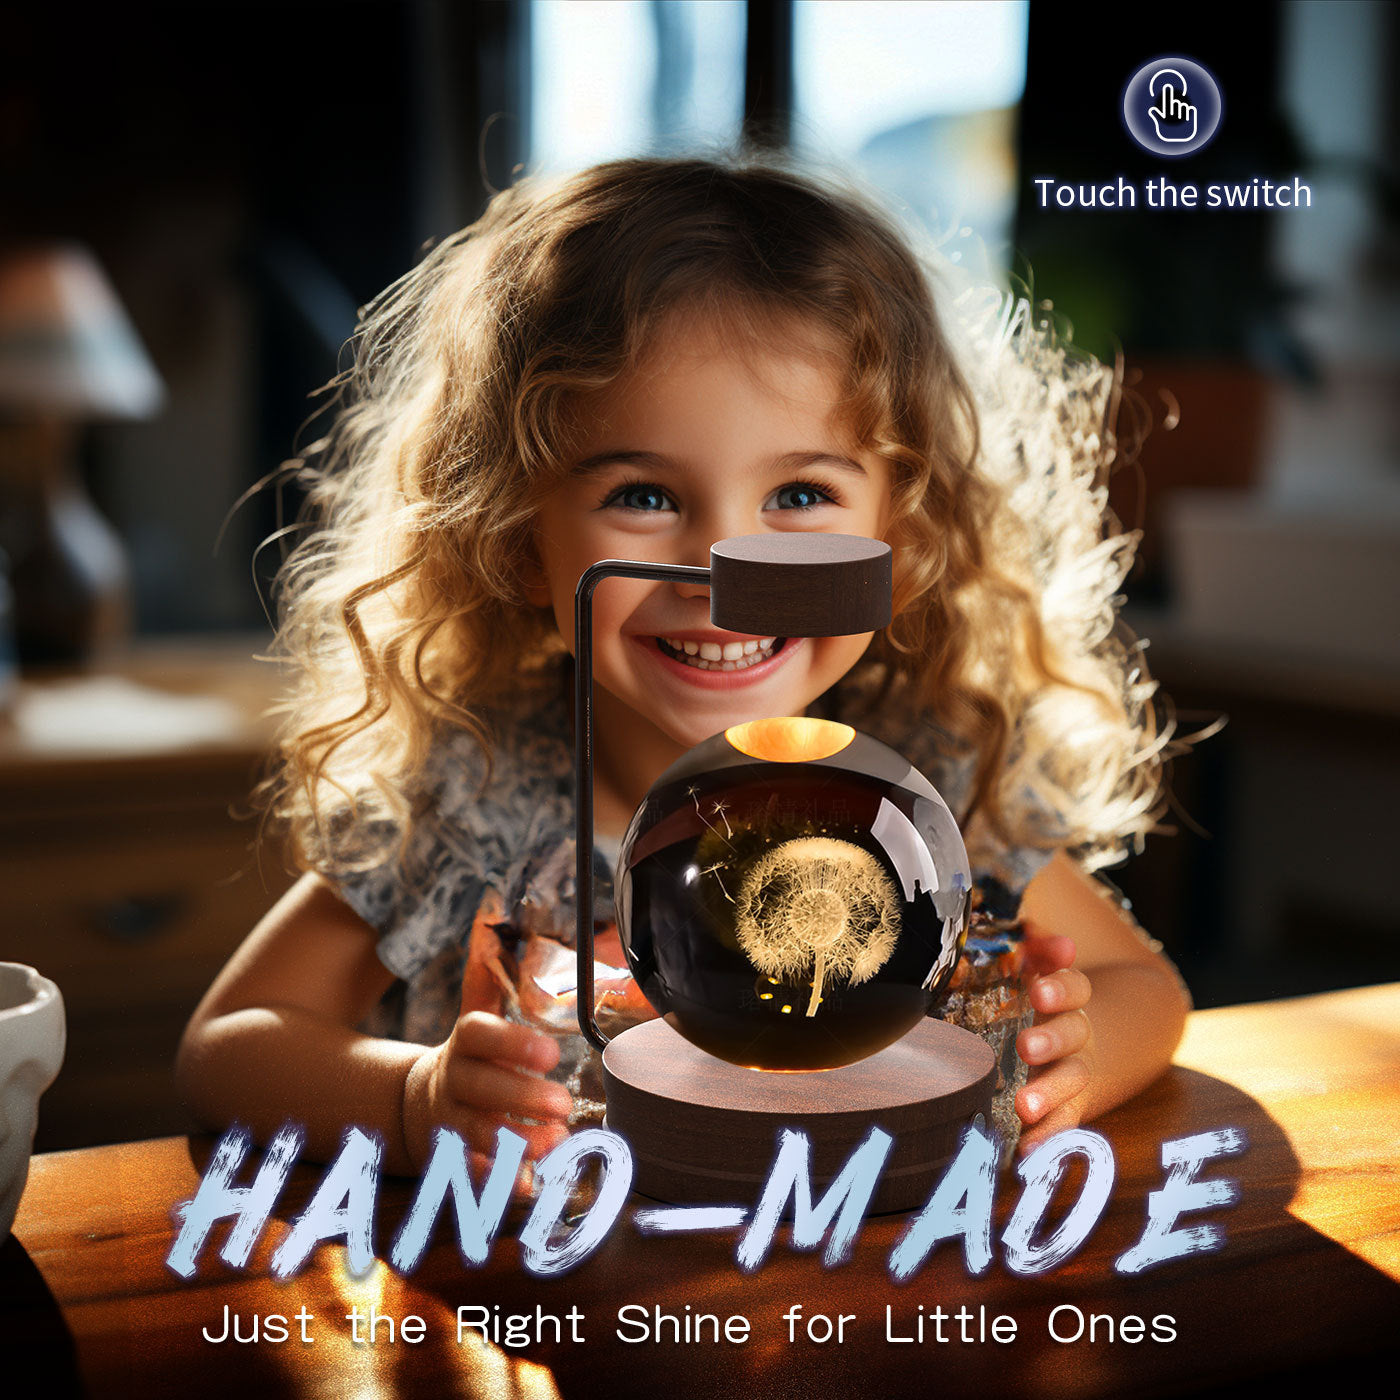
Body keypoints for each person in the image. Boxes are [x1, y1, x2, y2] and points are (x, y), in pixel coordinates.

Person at [177, 153, 1191, 1181]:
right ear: (520, 538)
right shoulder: (465, 789)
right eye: (646, 496)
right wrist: (409, 1098)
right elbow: (232, 1046)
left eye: (798, 497)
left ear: (905, 535)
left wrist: (1080, 1052)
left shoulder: (931, 780)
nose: (721, 575)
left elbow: (1143, 986)